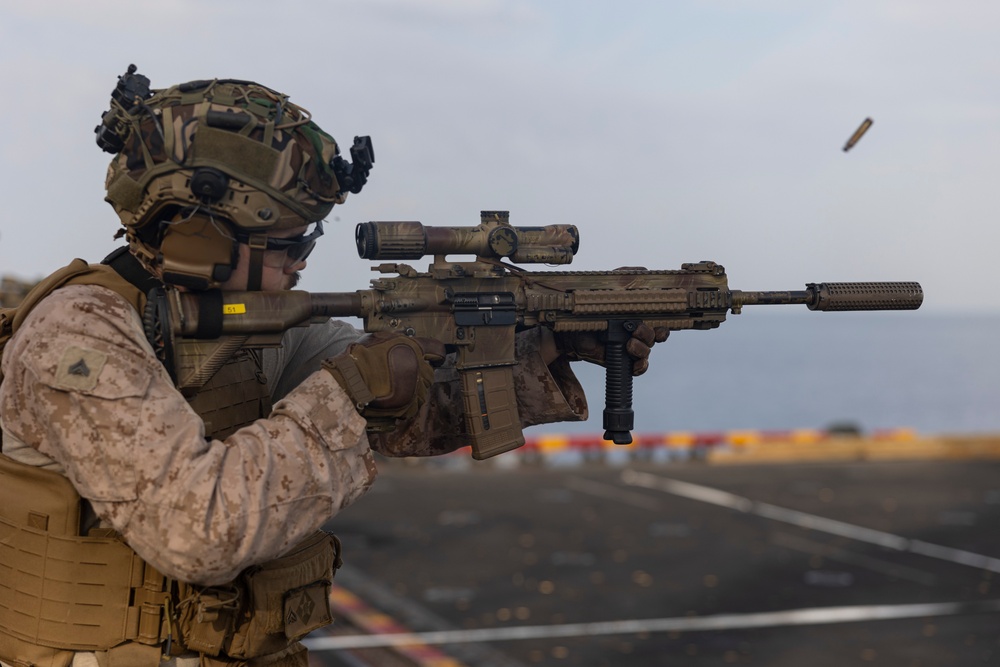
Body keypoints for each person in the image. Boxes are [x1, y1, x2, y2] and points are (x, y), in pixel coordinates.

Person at [0, 69, 665, 667]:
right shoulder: (78, 333)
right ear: (196, 232)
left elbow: (407, 415)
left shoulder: (254, 319)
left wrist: (546, 348)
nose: (303, 261)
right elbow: (195, 527)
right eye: (288, 242)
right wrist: (347, 392)